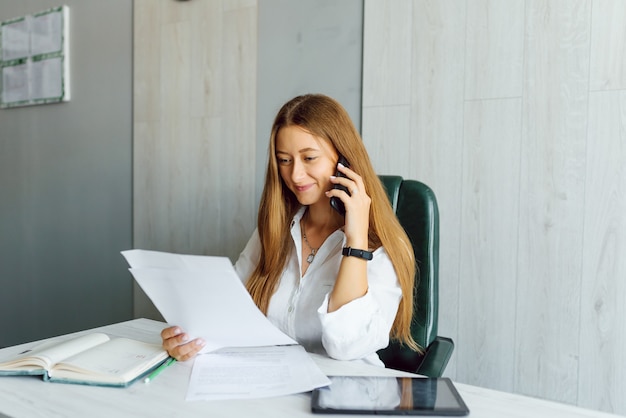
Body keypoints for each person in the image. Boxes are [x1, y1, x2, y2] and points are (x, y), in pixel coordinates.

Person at [161, 94, 418, 366]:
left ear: (344, 160)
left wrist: (355, 241)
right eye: (284, 160)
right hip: (269, 386)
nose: (295, 175)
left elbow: (347, 345)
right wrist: (189, 340)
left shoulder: (385, 248)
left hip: (343, 395)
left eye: (309, 158)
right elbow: (231, 311)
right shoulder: (275, 230)